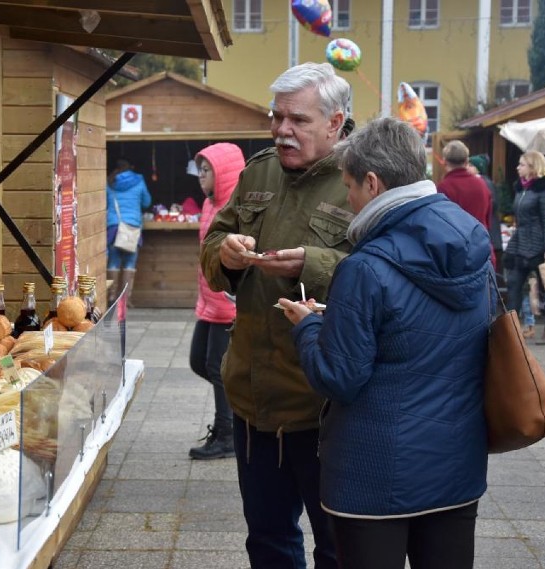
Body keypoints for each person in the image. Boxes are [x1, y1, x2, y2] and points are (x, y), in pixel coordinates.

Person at [279, 117, 490, 569]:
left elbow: (340, 378)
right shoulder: (472, 242)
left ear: (373, 183)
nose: (349, 200)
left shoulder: (364, 268)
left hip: (375, 477)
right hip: (456, 466)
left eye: (350, 187)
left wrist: (307, 327)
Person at [200, 61, 355, 569]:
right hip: (253, 400)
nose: (282, 130)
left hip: (324, 408)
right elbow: (214, 240)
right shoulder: (260, 169)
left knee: (338, 549)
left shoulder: (364, 179)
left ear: (335, 122)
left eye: (298, 120)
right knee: (267, 544)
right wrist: (223, 253)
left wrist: (317, 263)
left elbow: (390, 269)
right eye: (277, 117)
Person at [188, 142, 245, 460]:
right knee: (200, 361)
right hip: (208, 301)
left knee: (216, 366)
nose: (201, 177)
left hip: (226, 303)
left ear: (223, 175)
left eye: (207, 171)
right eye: (199, 171)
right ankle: (235, 421)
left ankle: (228, 434)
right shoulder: (210, 204)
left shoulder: (234, 210)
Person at [503, 150, 545, 345]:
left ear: (532, 166)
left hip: (541, 243)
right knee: (513, 284)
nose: (517, 167)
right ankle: (510, 330)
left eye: (522, 164)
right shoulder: (521, 188)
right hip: (521, 241)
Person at [437, 141, 493, 265]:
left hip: (457, 255)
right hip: (483, 249)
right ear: (467, 161)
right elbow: (488, 220)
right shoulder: (482, 185)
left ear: (444, 161)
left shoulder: (444, 188)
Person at [106, 158, 151, 307]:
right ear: (131, 167)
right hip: (132, 229)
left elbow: (103, 202)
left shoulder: (110, 181)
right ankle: (125, 300)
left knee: (113, 263)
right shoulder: (138, 180)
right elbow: (146, 202)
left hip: (114, 228)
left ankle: (112, 298)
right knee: (129, 264)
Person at [467, 153, 503, 260]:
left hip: (490, 231)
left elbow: (493, 205)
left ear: (478, 168)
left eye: (470, 165)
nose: (467, 167)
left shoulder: (484, 183)